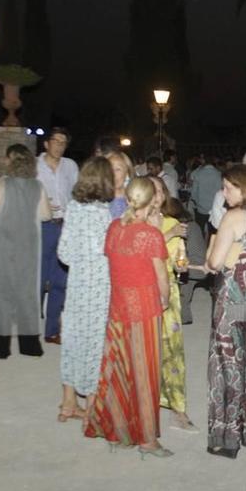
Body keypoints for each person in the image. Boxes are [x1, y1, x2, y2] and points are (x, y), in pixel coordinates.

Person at [89, 177, 174, 456]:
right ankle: (147, 439)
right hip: (144, 309)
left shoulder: (114, 228)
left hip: (118, 307)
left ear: (127, 199)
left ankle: (115, 429)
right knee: (144, 373)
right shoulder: (150, 234)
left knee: (116, 368)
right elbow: (161, 277)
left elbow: (113, 261)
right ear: (151, 203)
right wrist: (166, 300)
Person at [195, 163, 246, 458]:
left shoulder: (232, 216)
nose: (223, 192)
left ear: (244, 188)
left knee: (226, 367)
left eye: (228, 187)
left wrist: (214, 247)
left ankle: (226, 438)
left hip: (232, 300)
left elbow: (214, 263)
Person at [56, 157, 117, 425]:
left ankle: (68, 403)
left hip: (77, 285)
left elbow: (64, 253)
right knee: (95, 344)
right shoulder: (106, 214)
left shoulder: (72, 208)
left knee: (72, 340)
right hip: (100, 287)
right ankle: (92, 408)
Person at [0, 144, 45, 358]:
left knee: (2, 292)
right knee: (27, 293)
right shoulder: (37, 185)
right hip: (28, 243)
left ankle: (1, 347)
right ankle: (29, 345)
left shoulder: (3, 183)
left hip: (6, 242)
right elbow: (46, 214)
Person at [151, 180, 193, 430]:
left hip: (169, 290)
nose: (156, 196)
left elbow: (179, 257)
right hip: (144, 290)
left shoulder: (171, 222)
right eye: (151, 190)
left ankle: (178, 408)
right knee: (147, 349)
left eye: (160, 191)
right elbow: (143, 251)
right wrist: (170, 234)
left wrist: (182, 263)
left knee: (173, 351)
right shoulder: (136, 223)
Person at [36, 130, 78, 344]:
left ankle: (52, 330)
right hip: (43, 226)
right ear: (46, 143)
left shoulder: (70, 166)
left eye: (63, 142)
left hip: (66, 225)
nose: (60, 146)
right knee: (40, 278)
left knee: (60, 280)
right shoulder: (35, 166)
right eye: (56, 141)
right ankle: (32, 328)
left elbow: (78, 192)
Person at [188, 154, 223, 226]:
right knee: (212, 231)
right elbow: (221, 192)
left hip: (201, 209)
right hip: (214, 209)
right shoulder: (218, 174)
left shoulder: (198, 173)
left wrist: (198, 203)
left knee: (200, 231)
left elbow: (194, 193)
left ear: (204, 162)